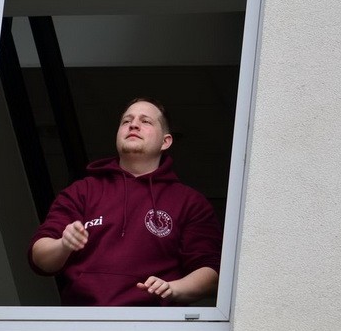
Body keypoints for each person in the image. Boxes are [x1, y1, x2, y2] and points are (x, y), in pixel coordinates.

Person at [28, 98, 222, 305]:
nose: (133, 125)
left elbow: (212, 273)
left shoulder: (189, 202)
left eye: (145, 121)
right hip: (83, 319)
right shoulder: (82, 191)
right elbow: (40, 258)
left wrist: (174, 288)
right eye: (126, 121)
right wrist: (63, 245)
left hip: (156, 321)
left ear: (165, 142)